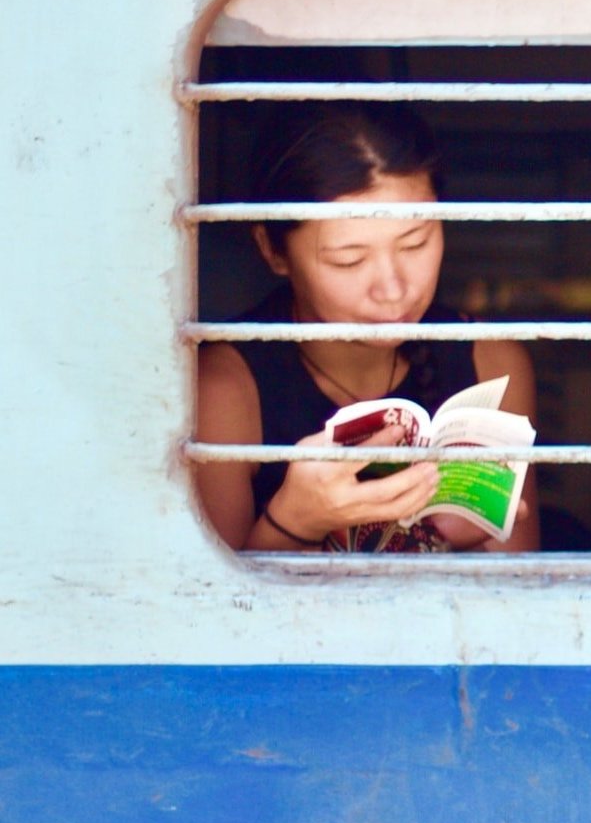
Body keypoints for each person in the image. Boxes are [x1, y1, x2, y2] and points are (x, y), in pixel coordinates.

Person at [195, 104, 540, 553]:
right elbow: (211, 612)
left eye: (415, 243)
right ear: (273, 249)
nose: (393, 289)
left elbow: (517, 603)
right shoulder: (223, 392)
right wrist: (295, 521)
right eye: (349, 260)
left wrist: (471, 539)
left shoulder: (489, 362)